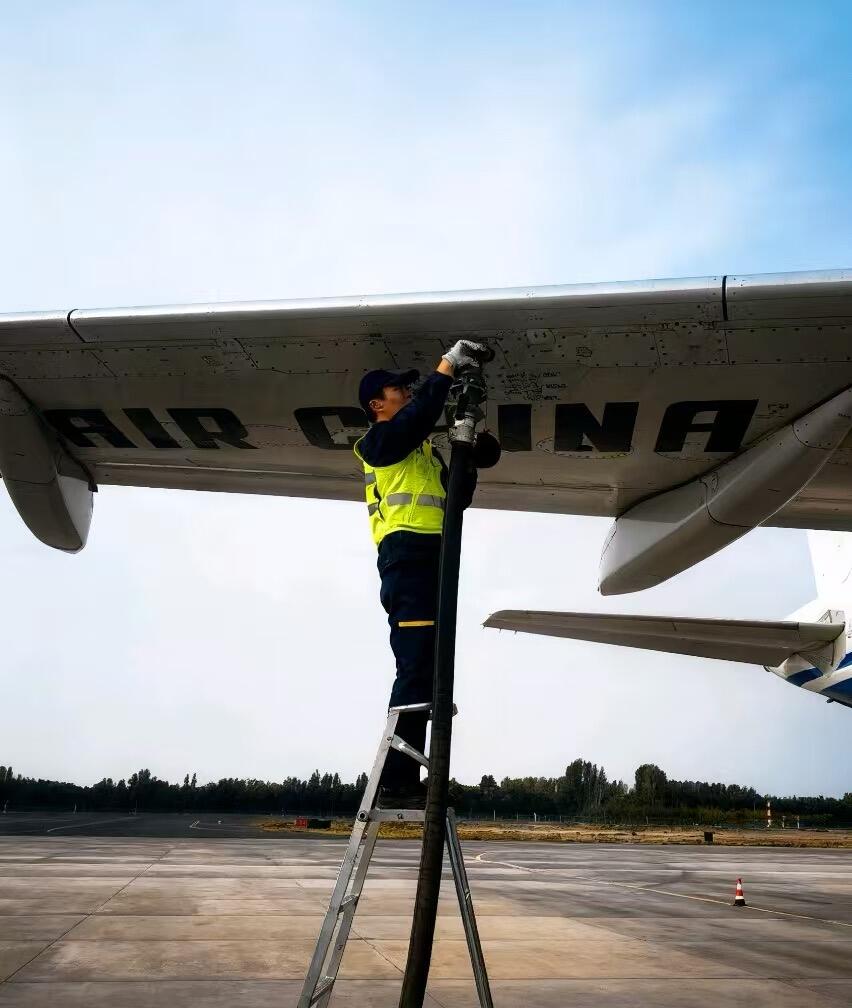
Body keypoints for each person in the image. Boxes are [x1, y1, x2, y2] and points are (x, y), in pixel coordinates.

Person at [354, 340, 499, 807]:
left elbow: (456, 502)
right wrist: (446, 368)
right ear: (378, 404)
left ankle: (409, 778)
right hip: (407, 561)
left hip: (434, 560)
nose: (406, 394)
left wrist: (467, 458)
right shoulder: (377, 444)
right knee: (415, 667)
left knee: (432, 673)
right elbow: (416, 418)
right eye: (398, 389)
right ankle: (397, 780)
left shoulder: (418, 454)